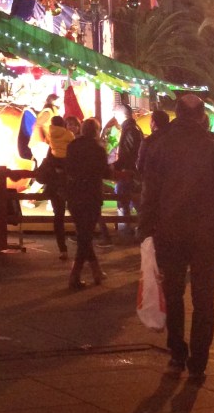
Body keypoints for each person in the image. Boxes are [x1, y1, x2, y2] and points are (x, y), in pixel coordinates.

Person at [139, 93, 214, 382]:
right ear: (202, 116)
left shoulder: (159, 144)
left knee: (174, 293)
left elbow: (150, 191)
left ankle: (177, 354)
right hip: (206, 233)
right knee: (204, 299)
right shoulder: (213, 146)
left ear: (177, 113)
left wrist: (145, 228)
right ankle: (198, 363)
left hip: (170, 230)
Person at [65, 117, 109, 289]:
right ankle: (75, 275)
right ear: (96, 131)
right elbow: (105, 172)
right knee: (85, 235)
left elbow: (68, 168)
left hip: (74, 194)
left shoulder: (72, 146)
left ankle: (96, 271)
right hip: (91, 195)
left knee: (83, 234)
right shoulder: (98, 149)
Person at [36, 115, 74, 261]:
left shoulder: (51, 142)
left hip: (55, 187)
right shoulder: (70, 140)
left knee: (58, 217)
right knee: (77, 215)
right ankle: (84, 246)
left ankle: (62, 249)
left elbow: (44, 168)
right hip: (69, 185)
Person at [108, 102, 143, 237]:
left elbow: (128, 155)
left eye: (115, 114)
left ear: (120, 114)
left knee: (124, 201)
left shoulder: (129, 130)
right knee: (134, 202)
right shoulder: (133, 128)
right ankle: (140, 229)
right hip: (131, 172)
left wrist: (115, 166)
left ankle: (126, 232)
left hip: (128, 173)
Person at [136, 109, 171, 179]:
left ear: (153, 123)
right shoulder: (173, 139)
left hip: (152, 180)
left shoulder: (148, 141)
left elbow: (141, 165)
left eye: (150, 121)